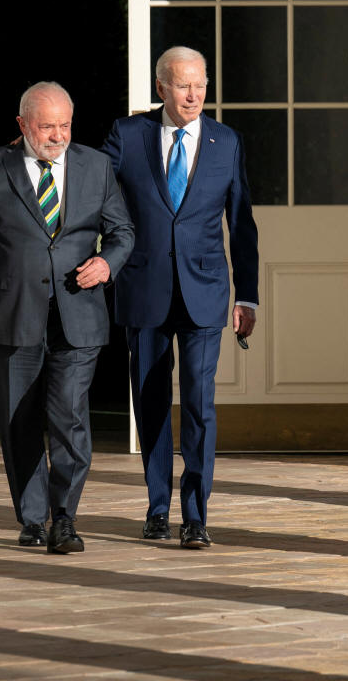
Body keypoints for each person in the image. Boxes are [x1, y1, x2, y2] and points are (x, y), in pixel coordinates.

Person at [0, 81, 134, 552]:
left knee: (70, 419)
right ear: (22, 124)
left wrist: (107, 263)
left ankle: (65, 518)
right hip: (11, 316)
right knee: (19, 421)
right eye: (46, 126)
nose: (57, 136)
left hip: (78, 315)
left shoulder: (96, 166)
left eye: (65, 125)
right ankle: (33, 518)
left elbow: (123, 232)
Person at [101, 46, 259, 549]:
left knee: (198, 404)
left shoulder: (225, 142)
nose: (193, 95)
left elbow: (241, 224)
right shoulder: (128, 135)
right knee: (149, 404)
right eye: (183, 85)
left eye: (200, 85)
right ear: (161, 88)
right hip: (144, 290)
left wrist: (248, 295)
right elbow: (94, 193)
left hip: (204, 293)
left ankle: (195, 516)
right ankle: (156, 510)